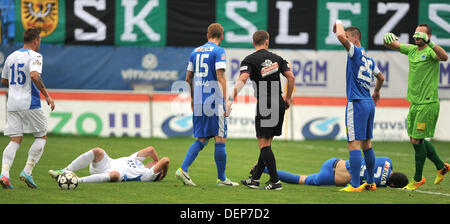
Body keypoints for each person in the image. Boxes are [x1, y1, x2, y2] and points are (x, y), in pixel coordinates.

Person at [383, 24, 449, 190]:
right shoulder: (412, 50)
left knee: (417, 140)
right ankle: (441, 166)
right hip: (414, 103)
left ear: (427, 36)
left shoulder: (431, 52)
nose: (417, 35)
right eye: (416, 33)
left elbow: (445, 57)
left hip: (428, 103)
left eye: (421, 33)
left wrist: (431, 42)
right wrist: (387, 39)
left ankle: (418, 178)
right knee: (415, 139)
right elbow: (395, 45)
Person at [228, 30, 295, 190]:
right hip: (279, 101)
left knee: (263, 144)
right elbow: (291, 77)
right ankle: (255, 179)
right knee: (266, 143)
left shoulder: (250, 60)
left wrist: (231, 98)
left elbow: (243, 78)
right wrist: (288, 98)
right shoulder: (277, 58)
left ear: (254, 43)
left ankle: (275, 181)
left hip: (266, 103)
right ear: (267, 42)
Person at [175, 23, 238, 187]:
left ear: (207, 35)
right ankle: (222, 179)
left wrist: (192, 98)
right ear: (221, 37)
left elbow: (188, 78)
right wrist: (224, 101)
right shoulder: (219, 51)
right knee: (220, 137)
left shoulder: (194, 52)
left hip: (198, 100)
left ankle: (183, 169)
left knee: (202, 138)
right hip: (214, 100)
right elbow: (220, 76)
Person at [333, 20, 385, 192]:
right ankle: (370, 182)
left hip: (356, 103)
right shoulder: (369, 59)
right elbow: (381, 77)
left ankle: (355, 184)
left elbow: (340, 36)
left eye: (349, 38)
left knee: (353, 145)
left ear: (355, 40)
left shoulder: (354, 52)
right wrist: (376, 92)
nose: (345, 41)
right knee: (367, 144)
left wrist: (338, 22)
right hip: (369, 103)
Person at [0, 28, 55, 189]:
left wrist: (17, 86)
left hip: (12, 103)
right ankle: (27, 171)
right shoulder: (35, 56)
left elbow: (4, 80)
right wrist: (47, 95)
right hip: (29, 102)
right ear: (36, 40)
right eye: (40, 41)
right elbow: (34, 76)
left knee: (15, 139)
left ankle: (4, 174)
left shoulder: (11, 57)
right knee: (41, 136)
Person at [255, 156, 408, 189]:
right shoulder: (380, 184)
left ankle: (262, 168)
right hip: (331, 177)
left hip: (335, 162)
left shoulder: (387, 161)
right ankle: (265, 169)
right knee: (299, 179)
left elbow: (369, 156)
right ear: (393, 184)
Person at [48, 146, 170, 183]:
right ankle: (63, 171)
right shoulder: (137, 161)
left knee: (115, 175)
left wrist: (162, 173)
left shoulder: (146, 175)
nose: (154, 163)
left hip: (112, 174)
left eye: (155, 165)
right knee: (98, 151)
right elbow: (150, 149)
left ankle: (75, 180)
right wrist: (155, 159)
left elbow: (165, 160)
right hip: (106, 164)